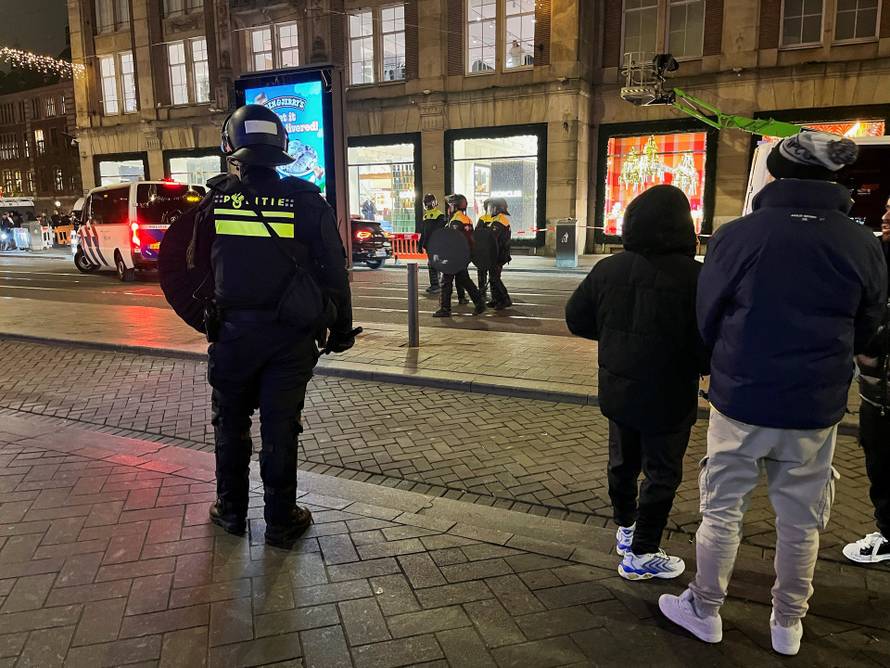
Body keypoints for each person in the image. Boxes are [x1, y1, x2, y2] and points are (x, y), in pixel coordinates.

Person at [659, 131, 886, 656]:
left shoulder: (738, 236)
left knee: (723, 509)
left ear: (775, 175)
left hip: (741, 397)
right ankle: (788, 625)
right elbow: (870, 323)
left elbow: (707, 315)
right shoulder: (862, 242)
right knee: (802, 519)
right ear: (836, 180)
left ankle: (706, 608)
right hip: (815, 404)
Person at [202, 104, 356, 548]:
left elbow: (190, 269)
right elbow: (334, 271)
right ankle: (281, 520)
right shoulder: (306, 200)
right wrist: (341, 330)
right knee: (280, 427)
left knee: (229, 423)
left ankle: (230, 512)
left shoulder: (216, 200)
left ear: (231, 147)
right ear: (282, 147)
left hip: (231, 336)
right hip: (290, 338)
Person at [565, 185, 707, 582]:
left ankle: (626, 528)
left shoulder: (609, 269)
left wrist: (614, 337)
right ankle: (643, 551)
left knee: (622, 462)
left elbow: (576, 319)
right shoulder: (697, 277)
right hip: (669, 394)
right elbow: (709, 339)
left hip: (619, 388)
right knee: (662, 472)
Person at [844, 198, 890, 565]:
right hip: (877, 391)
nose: (886, 215)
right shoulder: (874, 254)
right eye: (887, 207)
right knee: (878, 460)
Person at [433, 193, 486, 318]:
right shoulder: (467, 219)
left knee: (446, 282)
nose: (448, 208)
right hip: (463, 256)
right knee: (465, 280)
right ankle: (480, 303)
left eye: (449, 205)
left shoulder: (456, 220)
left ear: (454, 206)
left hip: (454, 257)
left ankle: (445, 308)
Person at [487, 198, 513, 310]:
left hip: (498, 255)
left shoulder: (499, 221)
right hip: (499, 253)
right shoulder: (500, 219)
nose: (489, 210)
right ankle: (495, 299)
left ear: (496, 209)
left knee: (495, 278)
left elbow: (492, 238)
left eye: (491, 207)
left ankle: (505, 299)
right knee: (493, 277)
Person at [418, 193, 445, 294]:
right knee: (432, 264)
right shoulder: (426, 216)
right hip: (429, 245)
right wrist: (420, 245)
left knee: (434, 264)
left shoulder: (440, 215)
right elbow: (423, 232)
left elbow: (438, 232)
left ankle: (436, 284)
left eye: (428, 202)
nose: (427, 204)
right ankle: (435, 284)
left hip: (436, 244)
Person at [475, 199, 494, 302]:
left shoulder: (482, 219)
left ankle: (482, 292)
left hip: (483, 251)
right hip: (491, 251)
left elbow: (476, 234)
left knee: (482, 273)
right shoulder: (496, 219)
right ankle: (493, 295)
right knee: (492, 274)